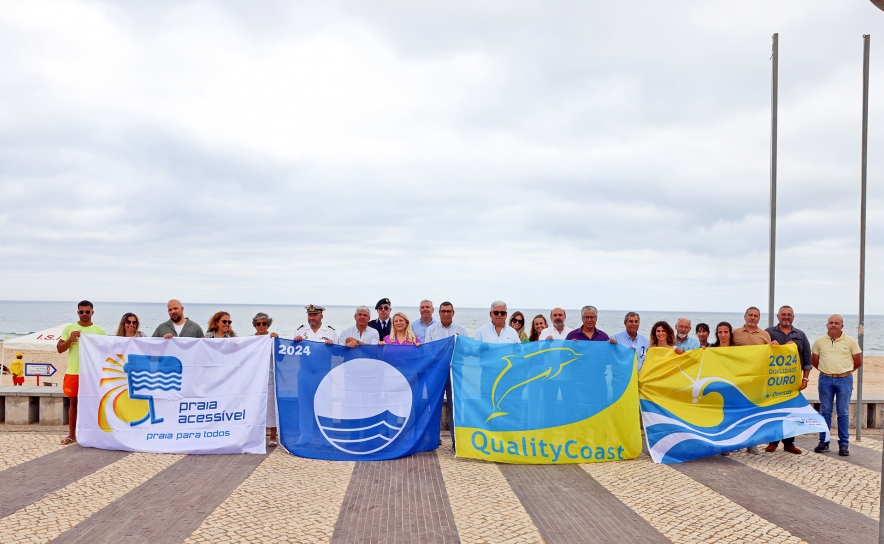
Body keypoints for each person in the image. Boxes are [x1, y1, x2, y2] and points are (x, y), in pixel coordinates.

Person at [57, 300, 107, 445]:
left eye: (87, 311)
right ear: (77, 312)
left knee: (93, 402)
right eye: (81, 312)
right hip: (73, 371)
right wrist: (70, 339)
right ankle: (72, 434)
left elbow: (105, 351)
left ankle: (93, 433)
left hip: (91, 373)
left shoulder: (99, 331)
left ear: (92, 312)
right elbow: (60, 349)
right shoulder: (69, 328)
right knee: (73, 402)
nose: (84, 314)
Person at [812, 314, 862, 457]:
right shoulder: (819, 341)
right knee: (825, 412)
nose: (833, 325)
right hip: (825, 380)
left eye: (836, 323)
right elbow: (815, 361)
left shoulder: (850, 341)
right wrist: (828, 371)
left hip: (844, 380)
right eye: (831, 323)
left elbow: (858, 361)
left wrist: (843, 372)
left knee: (843, 413)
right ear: (827, 325)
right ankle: (824, 442)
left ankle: (844, 445)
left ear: (842, 326)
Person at [765, 306, 812, 454]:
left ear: (793, 317)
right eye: (783, 314)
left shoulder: (800, 335)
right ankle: (773, 441)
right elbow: (761, 353)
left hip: (792, 381)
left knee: (791, 411)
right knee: (774, 411)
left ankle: (789, 443)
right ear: (778, 316)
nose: (786, 317)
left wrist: (805, 379)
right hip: (773, 381)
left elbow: (806, 359)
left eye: (789, 315)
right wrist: (770, 346)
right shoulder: (769, 333)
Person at [424, 302, 468, 451]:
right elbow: (429, 350)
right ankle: (433, 440)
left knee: (454, 406)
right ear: (439, 313)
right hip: (437, 372)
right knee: (433, 406)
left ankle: (457, 441)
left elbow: (467, 351)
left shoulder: (461, 330)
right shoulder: (431, 330)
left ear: (453, 313)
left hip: (454, 373)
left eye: (449, 311)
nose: (446, 314)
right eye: (443, 311)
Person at [253, 312, 279, 447]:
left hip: (269, 378)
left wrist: (278, 340)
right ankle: (257, 436)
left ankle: (273, 435)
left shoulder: (272, 339)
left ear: (268, 324)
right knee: (255, 408)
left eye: (264, 323)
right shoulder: (250, 340)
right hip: (254, 379)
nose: (261, 326)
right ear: (255, 326)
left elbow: (280, 357)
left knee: (271, 407)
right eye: (258, 324)